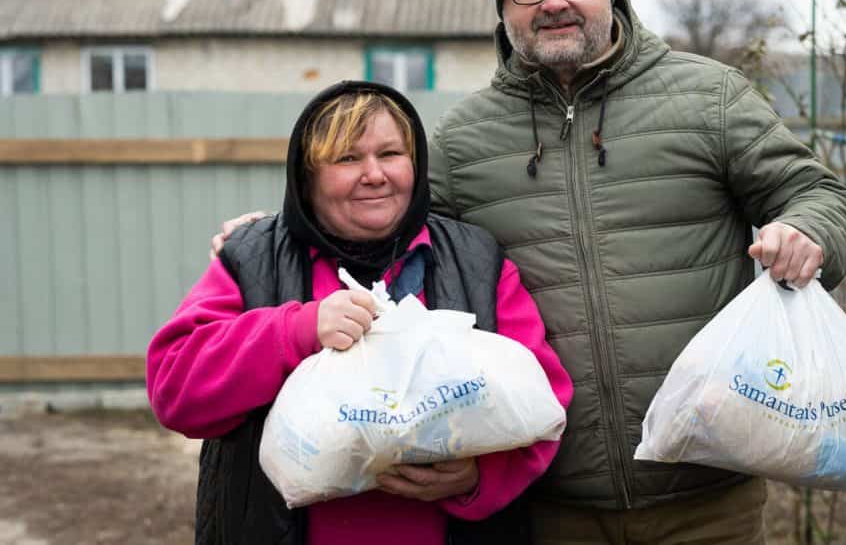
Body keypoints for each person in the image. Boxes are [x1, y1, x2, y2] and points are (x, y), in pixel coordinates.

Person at [215, 0, 846, 545]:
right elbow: (378, 226)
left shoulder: (708, 99)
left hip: (706, 493)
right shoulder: (466, 140)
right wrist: (280, 233)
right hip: (550, 504)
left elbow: (820, 197)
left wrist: (808, 233)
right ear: (502, 7)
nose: (553, 0)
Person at [150, 80, 572, 545]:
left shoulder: (473, 259)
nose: (374, 174)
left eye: (390, 154)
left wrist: (478, 479)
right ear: (307, 177)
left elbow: (544, 400)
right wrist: (297, 330)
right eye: (348, 159)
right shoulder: (254, 259)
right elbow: (175, 387)